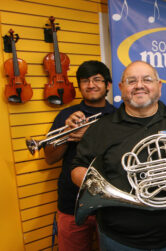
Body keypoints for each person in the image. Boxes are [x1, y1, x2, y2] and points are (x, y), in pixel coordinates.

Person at [71, 60, 166, 250]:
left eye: (147, 79)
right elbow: (77, 168)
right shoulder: (101, 128)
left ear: (159, 86)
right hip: (121, 240)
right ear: (121, 88)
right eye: (131, 81)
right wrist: (99, 187)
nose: (139, 85)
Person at [44, 60, 115, 251]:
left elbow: (124, 156)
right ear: (80, 86)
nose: (91, 85)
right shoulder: (66, 116)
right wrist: (66, 134)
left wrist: (90, 136)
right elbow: (50, 158)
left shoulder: (118, 117)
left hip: (110, 203)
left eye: (97, 79)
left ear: (108, 85)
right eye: (85, 81)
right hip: (71, 203)